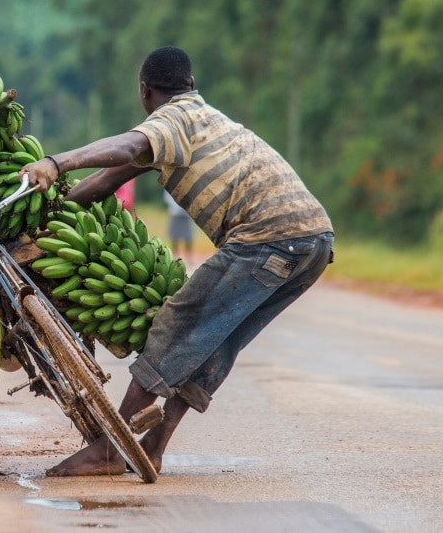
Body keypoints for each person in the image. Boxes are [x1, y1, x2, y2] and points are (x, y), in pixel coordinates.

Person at [21, 46, 334, 477]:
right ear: (189, 82)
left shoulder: (174, 119)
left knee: (178, 324)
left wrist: (57, 162)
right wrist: (43, 219)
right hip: (314, 239)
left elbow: (129, 144)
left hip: (268, 236)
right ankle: (152, 447)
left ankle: (111, 448)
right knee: (215, 342)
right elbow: (110, 177)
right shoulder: (200, 121)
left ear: (145, 90)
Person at [163, 190, 194, 262]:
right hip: (175, 213)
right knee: (174, 237)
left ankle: (189, 258)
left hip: (187, 213)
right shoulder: (171, 184)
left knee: (188, 237)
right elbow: (167, 198)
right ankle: (175, 257)